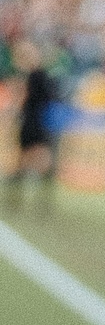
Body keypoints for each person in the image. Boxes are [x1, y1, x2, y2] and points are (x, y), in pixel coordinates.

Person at [5, 41, 60, 216]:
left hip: (36, 124)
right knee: (33, 163)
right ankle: (25, 201)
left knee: (34, 163)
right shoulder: (33, 76)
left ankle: (24, 201)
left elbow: (43, 99)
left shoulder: (36, 76)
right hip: (35, 124)